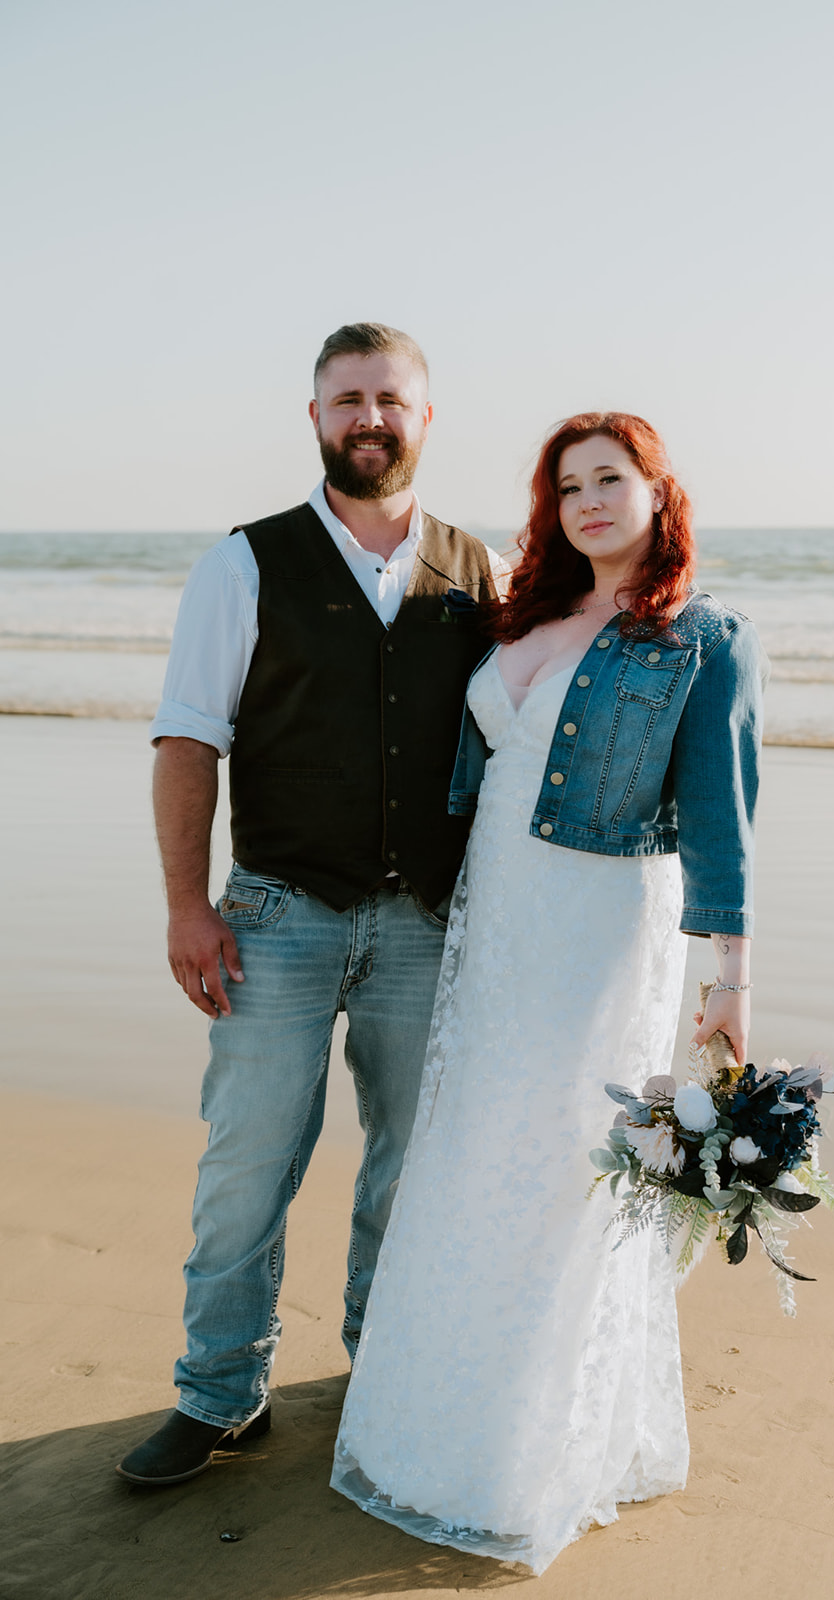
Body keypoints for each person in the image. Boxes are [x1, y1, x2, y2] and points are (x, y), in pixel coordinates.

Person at [331, 412, 764, 1573]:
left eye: (610, 479)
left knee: (566, 1165)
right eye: (567, 484)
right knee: (476, 1149)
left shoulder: (697, 635)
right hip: (496, 917)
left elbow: (723, 816)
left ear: (658, 491)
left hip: (602, 926)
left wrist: (730, 976)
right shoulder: (524, 614)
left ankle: (529, 1450)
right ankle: (441, 1421)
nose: (588, 500)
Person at [116, 323, 509, 1486]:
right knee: (247, 1165)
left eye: (391, 398)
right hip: (276, 916)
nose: (369, 417)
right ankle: (220, 1394)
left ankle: (381, 1377)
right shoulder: (244, 562)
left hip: (426, 924)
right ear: (316, 418)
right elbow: (189, 739)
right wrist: (188, 906)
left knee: (408, 1168)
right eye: (347, 399)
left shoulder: (475, 569)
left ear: (425, 419)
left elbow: (519, 739)